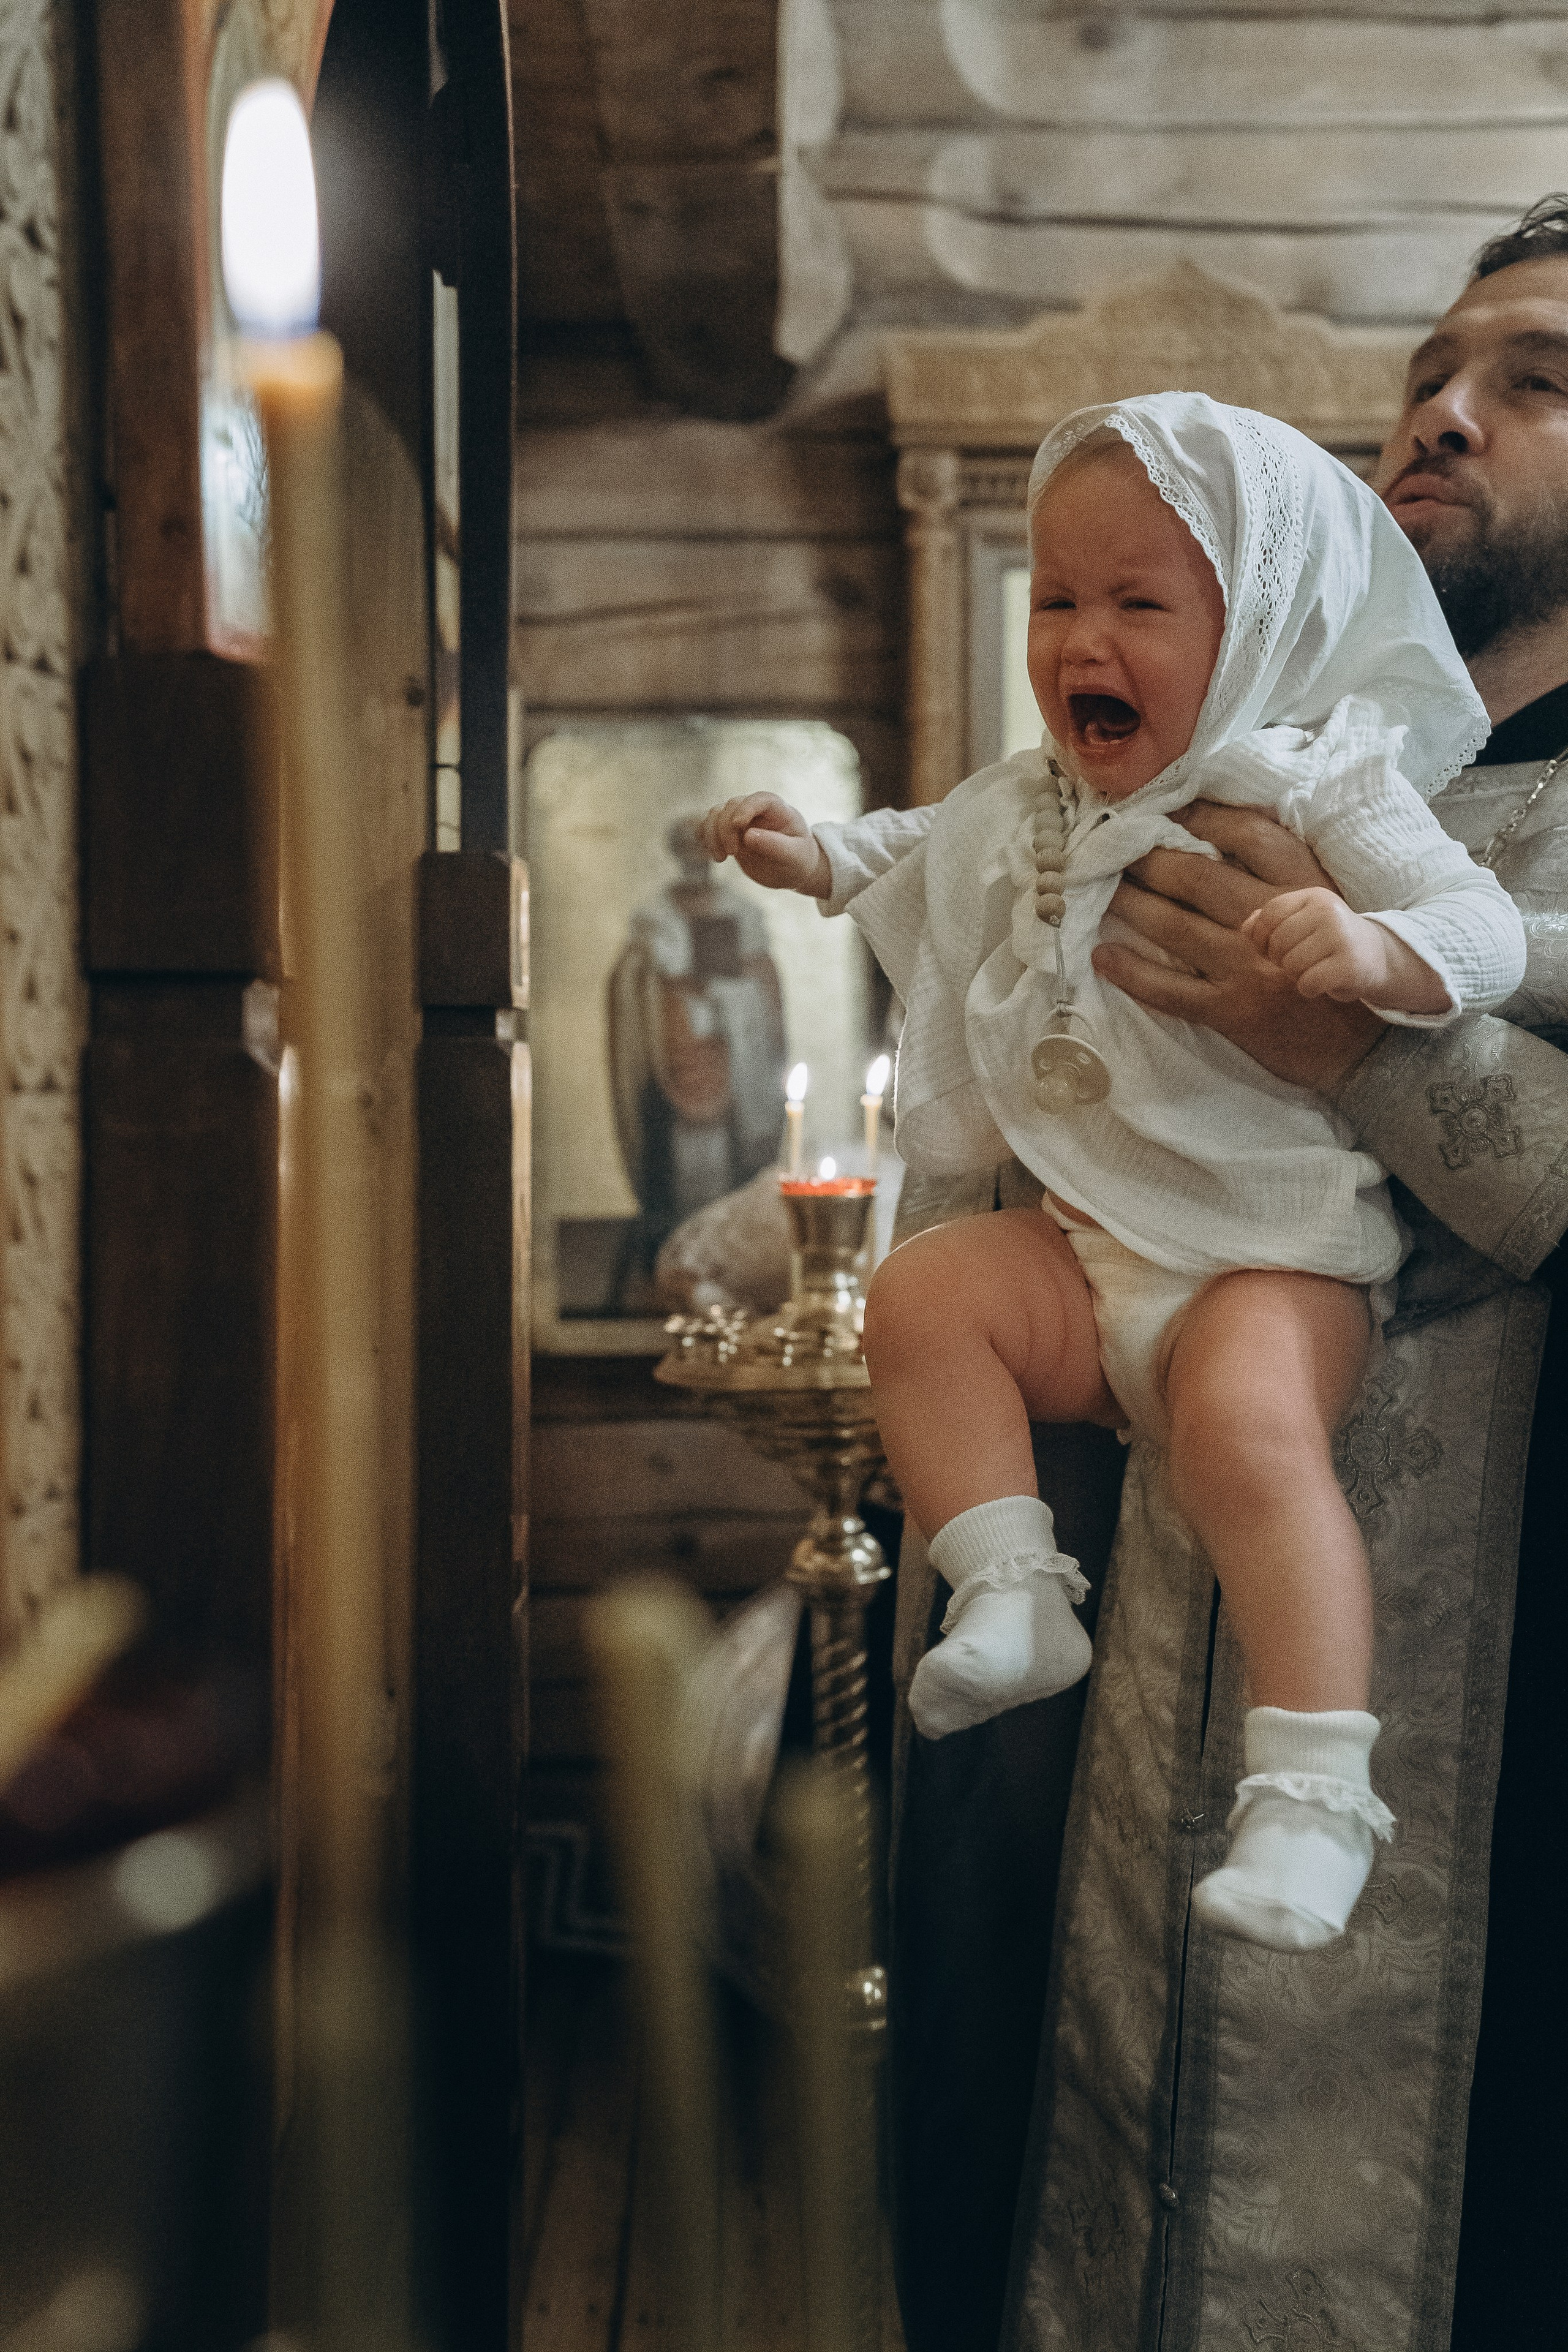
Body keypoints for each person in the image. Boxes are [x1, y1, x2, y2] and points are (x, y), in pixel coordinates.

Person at [862, 201, 1568, 2351]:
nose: (1437, 417)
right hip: (1101, 1664)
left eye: (1535, 380)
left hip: (1496, 1719)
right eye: (1428, 374)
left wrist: (1350, 1047)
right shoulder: (1208, 749)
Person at [704, 392, 1526, 1956]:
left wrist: (1373, 945)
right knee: (925, 1295)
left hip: (1270, 1258)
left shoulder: (1320, 782)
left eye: (1139, 602)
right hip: (1092, 1255)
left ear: (1266, 621)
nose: (1082, 636)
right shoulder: (1032, 800)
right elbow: (916, 851)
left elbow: (1478, 931)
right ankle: (1011, 1588)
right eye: (1056, 598)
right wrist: (814, 857)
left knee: (1244, 1438)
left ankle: (1308, 1792)